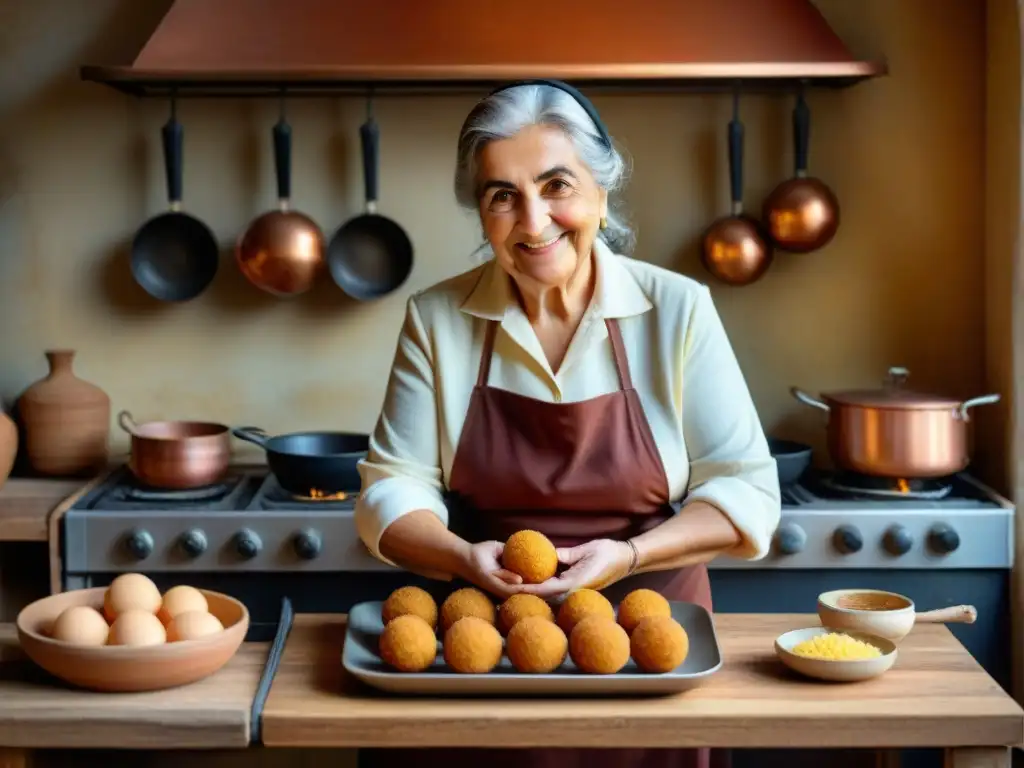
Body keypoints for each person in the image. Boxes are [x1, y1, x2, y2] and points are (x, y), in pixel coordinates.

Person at [354, 79, 781, 768]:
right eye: (502, 196)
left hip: (647, 666)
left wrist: (630, 556)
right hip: (482, 666)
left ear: (602, 193)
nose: (532, 221)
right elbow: (391, 489)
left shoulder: (677, 310)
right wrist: (464, 557)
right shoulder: (436, 320)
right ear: (482, 213)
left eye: (557, 185)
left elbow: (747, 491)